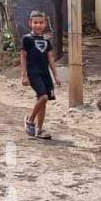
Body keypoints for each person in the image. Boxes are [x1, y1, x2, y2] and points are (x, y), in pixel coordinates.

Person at [21, 11, 61, 140]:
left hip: (45, 74)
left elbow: (50, 57)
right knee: (43, 97)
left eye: (41, 22)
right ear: (30, 23)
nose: (38, 25)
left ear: (45, 24)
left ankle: (40, 130)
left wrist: (55, 75)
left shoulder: (46, 40)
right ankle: (30, 120)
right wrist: (23, 75)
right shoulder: (27, 39)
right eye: (35, 22)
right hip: (33, 73)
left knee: (44, 102)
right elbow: (23, 56)